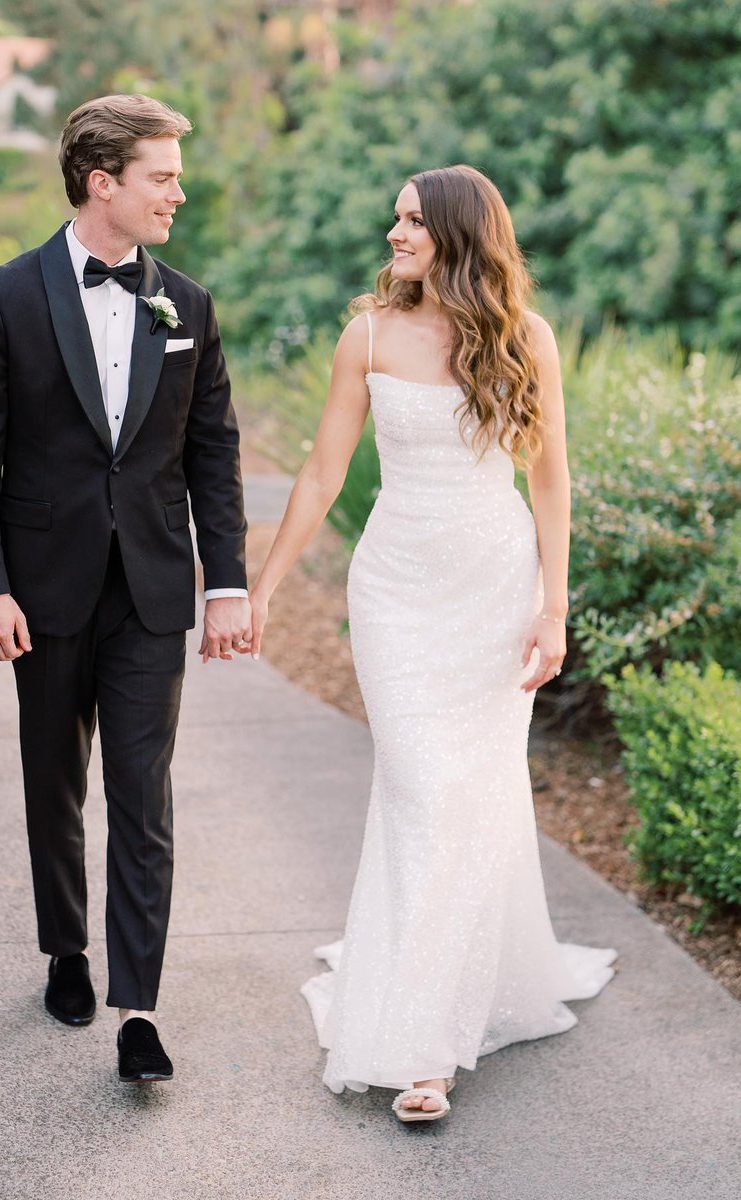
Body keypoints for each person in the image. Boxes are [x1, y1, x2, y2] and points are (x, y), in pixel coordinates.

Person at [248, 164, 616, 1121]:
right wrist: (266, 585)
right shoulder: (366, 334)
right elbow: (323, 472)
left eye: (412, 220)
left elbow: (549, 480)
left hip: (494, 590)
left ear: (458, 232)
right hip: (397, 594)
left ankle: (434, 1037)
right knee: (419, 789)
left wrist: (553, 608)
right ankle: (421, 1036)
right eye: (396, 218)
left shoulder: (525, 338)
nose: (394, 232)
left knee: (466, 796)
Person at [0, 94, 251, 1083]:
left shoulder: (188, 306)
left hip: (151, 591)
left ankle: (138, 1011)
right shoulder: (4, 298)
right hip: (42, 589)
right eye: (163, 177)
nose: (178, 194)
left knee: (142, 795)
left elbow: (214, 457)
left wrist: (227, 583)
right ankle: (65, 949)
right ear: (101, 182)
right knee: (54, 779)